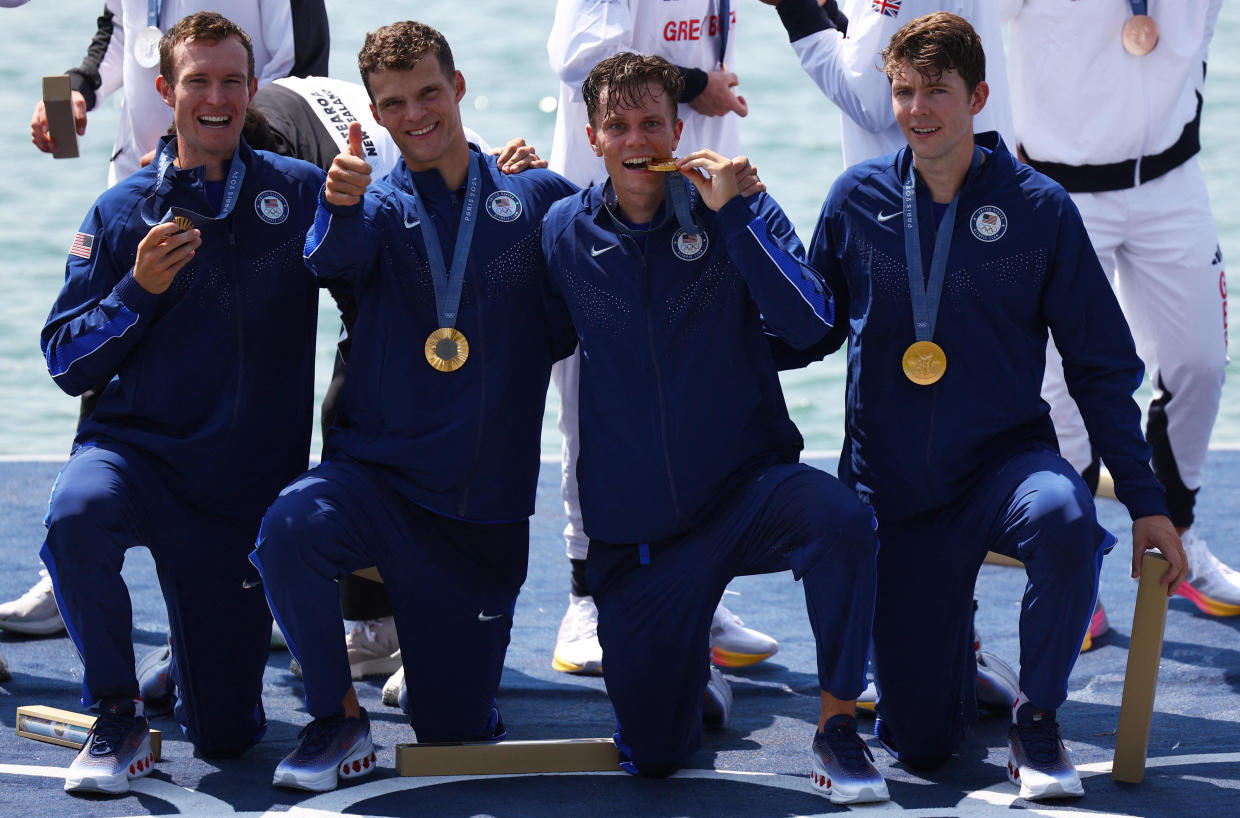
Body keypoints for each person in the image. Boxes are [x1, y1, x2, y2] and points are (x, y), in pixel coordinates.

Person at [805, 12, 1187, 800]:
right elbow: (803, 332)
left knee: (1067, 516)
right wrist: (738, 222)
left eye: (936, 92)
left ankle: (1036, 718)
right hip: (896, 491)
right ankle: (952, 665)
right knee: (924, 746)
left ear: (978, 96)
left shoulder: (1040, 207)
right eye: (904, 92)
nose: (917, 110)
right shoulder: (856, 200)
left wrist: (1147, 503)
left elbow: (1100, 366)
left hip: (1001, 469)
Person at [540, 51, 887, 804]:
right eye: (620, 125)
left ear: (677, 127)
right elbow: (515, 343)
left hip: (744, 495)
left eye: (653, 123)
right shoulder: (562, 231)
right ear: (593, 134)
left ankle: (836, 725)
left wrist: (737, 214)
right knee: (658, 755)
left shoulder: (732, 205)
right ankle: (688, 669)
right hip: (639, 539)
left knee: (842, 522)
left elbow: (811, 321)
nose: (638, 140)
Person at [249, 20, 579, 793]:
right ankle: (339, 718)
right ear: (374, 117)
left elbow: (606, 276)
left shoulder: (536, 196)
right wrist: (336, 204)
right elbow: (331, 260)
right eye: (394, 103)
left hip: (480, 515)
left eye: (429, 92)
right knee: (287, 532)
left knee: (452, 731)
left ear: (458, 88)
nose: (417, 115)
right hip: (379, 489)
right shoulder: (372, 208)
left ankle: (446, 668)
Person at [38, 12, 327, 796]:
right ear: (164, 91)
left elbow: (398, 246)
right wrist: (138, 291)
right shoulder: (123, 208)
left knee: (229, 739)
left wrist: (495, 175)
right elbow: (64, 360)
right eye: (197, 80)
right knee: (74, 518)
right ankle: (118, 713)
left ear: (253, 90)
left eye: (232, 80)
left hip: (237, 495)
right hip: (136, 462)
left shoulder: (300, 195)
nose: (216, 96)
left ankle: (190, 660)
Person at [546, 0, 779, 679]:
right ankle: (583, 596)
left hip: (689, 200)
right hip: (606, 205)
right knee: (591, 408)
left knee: (693, 402)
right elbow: (576, 60)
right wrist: (691, 82)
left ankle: (698, 592)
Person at [1004, 0, 1240, 620]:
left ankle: (1180, 535)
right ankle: (1073, 570)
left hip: (1172, 182)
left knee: (1201, 365)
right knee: (1062, 397)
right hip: (1061, 190)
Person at [29, 0, 328, 186]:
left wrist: (192, 153)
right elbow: (122, 29)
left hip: (238, 185)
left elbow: (299, 74)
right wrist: (81, 86)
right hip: (138, 176)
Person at [761, 0, 1013, 166]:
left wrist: (793, 7)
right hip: (971, 184)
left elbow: (870, 104)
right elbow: (874, 50)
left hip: (923, 206)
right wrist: (822, 10)